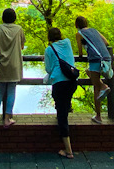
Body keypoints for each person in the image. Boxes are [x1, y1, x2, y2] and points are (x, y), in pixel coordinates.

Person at [44, 27, 78, 159]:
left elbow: (48, 68)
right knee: (63, 106)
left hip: (59, 82)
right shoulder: (68, 42)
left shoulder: (49, 49)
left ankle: (68, 151)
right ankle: (63, 109)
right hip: (72, 81)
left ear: (49, 38)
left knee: (62, 115)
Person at [0, 8, 25, 128]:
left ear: (3, 17)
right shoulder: (19, 29)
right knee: (11, 92)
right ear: (14, 18)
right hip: (14, 65)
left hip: (1, 65)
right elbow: (22, 46)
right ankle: (6, 120)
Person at [75, 15, 111, 124]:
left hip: (95, 59)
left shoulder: (79, 34)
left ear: (76, 25)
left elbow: (80, 52)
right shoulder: (94, 30)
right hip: (106, 57)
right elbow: (106, 42)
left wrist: (84, 52)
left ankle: (104, 87)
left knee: (97, 86)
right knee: (89, 74)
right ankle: (98, 115)